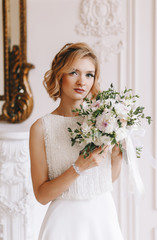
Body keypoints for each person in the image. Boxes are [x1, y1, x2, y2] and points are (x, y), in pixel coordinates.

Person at [29, 42, 124, 240]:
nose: (82, 81)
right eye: (74, 72)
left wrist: (118, 156)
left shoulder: (104, 120)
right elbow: (41, 195)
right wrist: (78, 167)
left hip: (103, 218)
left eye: (89, 74)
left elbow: (105, 179)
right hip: (64, 225)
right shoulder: (41, 128)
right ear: (59, 75)